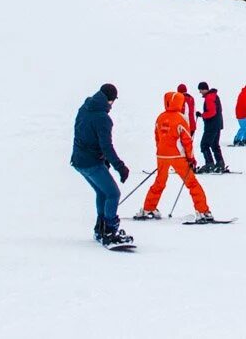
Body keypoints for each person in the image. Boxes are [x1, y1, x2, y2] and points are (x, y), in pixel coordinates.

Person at [134, 91, 213, 223]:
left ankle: (148, 208)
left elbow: (157, 137)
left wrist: (162, 152)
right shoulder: (181, 118)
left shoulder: (160, 117)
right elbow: (187, 141)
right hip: (178, 156)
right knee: (192, 183)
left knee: (159, 182)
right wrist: (191, 158)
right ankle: (203, 211)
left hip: (161, 156)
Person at [70, 84, 131, 246]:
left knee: (102, 192)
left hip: (78, 160)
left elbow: (82, 133)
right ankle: (109, 230)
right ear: (111, 100)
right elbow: (106, 146)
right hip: (90, 162)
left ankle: (100, 228)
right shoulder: (103, 118)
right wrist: (120, 167)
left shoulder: (84, 107)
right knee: (113, 194)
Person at [197, 82, 226, 173]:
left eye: (200, 90)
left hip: (211, 125)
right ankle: (220, 163)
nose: (200, 92)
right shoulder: (214, 96)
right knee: (214, 145)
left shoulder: (209, 97)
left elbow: (212, 112)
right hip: (217, 124)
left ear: (204, 89)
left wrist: (202, 115)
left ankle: (209, 164)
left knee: (204, 145)